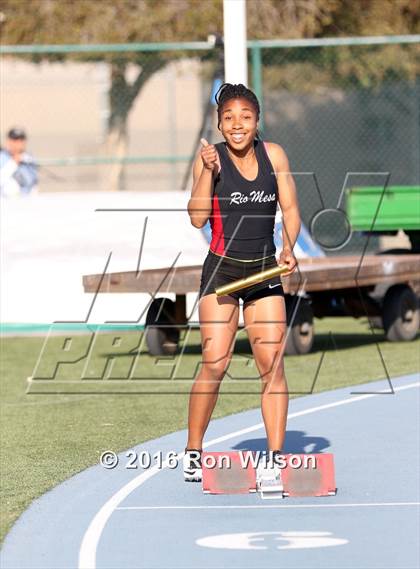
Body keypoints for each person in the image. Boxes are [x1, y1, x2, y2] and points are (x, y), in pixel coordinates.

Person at [184, 83, 301, 489]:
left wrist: (288, 247)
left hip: (265, 272)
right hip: (223, 275)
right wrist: (207, 172)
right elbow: (197, 218)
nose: (237, 125)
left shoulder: (275, 156)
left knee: (271, 367)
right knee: (216, 363)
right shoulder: (211, 158)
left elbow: (290, 209)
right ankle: (194, 451)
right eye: (229, 118)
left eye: (245, 117)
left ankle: (274, 457)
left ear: (257, 121)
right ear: (219, 123)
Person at [0, 127, 38, 198]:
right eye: (15, 140)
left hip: (26, 201)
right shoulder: (2, 156)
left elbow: (32, 182)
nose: (18, 143)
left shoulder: (29, 158)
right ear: (8, 141)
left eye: (21, 140)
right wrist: (14, 163)